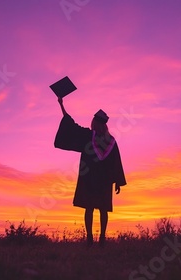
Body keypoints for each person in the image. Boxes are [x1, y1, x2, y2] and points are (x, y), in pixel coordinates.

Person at [54, 97, 126, 247]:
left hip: (89, 178)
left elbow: (70, 126)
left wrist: (62, 105)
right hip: (104, 180)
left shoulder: (88, 136)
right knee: (103, 209)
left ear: (95, 123)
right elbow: (116, 162)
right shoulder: (110, 141)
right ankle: (101, 240)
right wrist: (117, 181)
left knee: (90, 208)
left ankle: (90, 239)